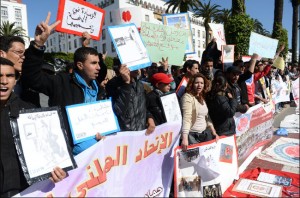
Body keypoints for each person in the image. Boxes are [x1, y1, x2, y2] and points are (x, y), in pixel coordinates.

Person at [21, 12, 105, 155]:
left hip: (97, 151)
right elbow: (32, 78)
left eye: (99, 63)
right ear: (79, 65)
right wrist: (38, 45)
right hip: (70, 155)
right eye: (94, 63)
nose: (98, 67)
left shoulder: (98, 88)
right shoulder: (61, 82)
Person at [0, 57, 66, 197]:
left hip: (27, 190)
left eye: (10, 76)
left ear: (16, 79)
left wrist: (55, 170)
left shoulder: (30, 111)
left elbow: (48, 150)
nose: (4, 81)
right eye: (0, 76)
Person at [105, 58, 155, 134]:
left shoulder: (139, 84)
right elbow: (118, 111)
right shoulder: (113, 84)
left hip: (141, 133)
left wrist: (150, 118)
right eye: (132, 65)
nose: (137, 69)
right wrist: (126, 83)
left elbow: (143, 106)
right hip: (124, 136)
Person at [0, 35, 42, 107]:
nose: (23, 57)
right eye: (19, 52)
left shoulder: (28, 81)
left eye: (24, 53)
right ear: (1, 54)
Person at [180, 73, 219, 151]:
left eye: (202, 83)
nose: (199, 85)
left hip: (205, 134)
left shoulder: (201, 97)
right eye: (196, 83)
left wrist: (213, 132)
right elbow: (186, 118)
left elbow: (206, 117)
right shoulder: (187, 97)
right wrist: (185, 138)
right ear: (191, 84)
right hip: (193, 137)